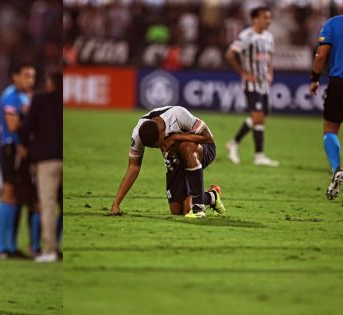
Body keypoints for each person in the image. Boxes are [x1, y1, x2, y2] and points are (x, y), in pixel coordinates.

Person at [110, 106, 226, 218]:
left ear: (162, 132)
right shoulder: (138, 134)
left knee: (186, 147)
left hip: (201, 150)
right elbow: (134, 166)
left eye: (160, 143)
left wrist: (177, 137)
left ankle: (199, 207)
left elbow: (208, 138)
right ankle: (212, 196)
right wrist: (116, 204)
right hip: (175, 160)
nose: (162, 148)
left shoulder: (178, 115)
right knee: (178, 211)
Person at [225, 6, 280, 167]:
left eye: (269, 17)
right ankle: (258, 155)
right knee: (257, 117)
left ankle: (234, 143)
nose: (268, 20)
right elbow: (230, 54)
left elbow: (269, 57)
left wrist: (270, 72)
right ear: (255, 19)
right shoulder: (246, 36)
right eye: (265, 17)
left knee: (261, 116)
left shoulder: (269, 37)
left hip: (264, 84)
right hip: (251, 84)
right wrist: (243, 72)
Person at [0, 63, 39, 258]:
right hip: (11, 148)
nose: (30, 80)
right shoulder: (10, 96)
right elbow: (12, 125)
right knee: (9, 193)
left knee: (21, 196)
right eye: (26, 75)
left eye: (32, 76)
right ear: (15, 76)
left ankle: (13, 245)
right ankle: (3, 247)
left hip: (23, 149)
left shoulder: (26, 95)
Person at [19, 72, 63, 263]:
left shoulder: (40, 100)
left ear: (50, 83)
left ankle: (50, 249)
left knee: (47, 206)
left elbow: (27, 127)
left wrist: (25, 147)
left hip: (47, 160)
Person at [310, 0, 343, 200]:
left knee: (330, 129)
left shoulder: (332, 24)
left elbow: (321, 55)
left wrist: (315, 79)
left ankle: (336, 168)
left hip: (340, 84)